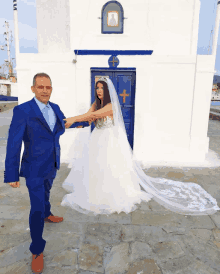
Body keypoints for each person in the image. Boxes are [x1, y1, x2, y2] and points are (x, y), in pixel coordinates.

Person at [62, 77, 220, 216]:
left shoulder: (110, 106)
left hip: (109, 140)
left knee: (110, 167)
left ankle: (110, 194)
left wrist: (71, 118)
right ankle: (94, 192)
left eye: (102, 88)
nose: (99, 90)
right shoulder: (95, 104)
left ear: (108, 91)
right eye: (97, 87)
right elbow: (89, 120)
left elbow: (92, 115)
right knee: (95, 167)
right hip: (97, 138)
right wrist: (74, 124)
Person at [3, 73, 88, 274]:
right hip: (33, 168)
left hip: (52, 164)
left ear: (51, 89)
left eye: (48, 87)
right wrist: (12, 174)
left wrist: (84, 122)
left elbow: (62, 125)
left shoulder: (55, 108)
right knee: (37, 207)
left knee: (46, 195)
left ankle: (48, 214)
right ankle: (37, 250)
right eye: (40, 87)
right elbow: (14, 144)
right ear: (33, 88)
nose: (44, 90)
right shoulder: (22, 110)